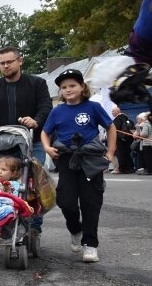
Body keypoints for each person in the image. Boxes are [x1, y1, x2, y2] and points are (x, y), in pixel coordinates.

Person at [41, 69, 115, 263]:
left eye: (72, 85)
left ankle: (90, 245)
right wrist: (47, 148)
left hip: (90, 159)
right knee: (66, 201)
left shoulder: (93, 107)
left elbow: (111, 126)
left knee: (91, 202)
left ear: (82, 87)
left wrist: (110, 153)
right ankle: (76, 229)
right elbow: (45, 132)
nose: (68, 89)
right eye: (64, 87)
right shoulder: (57, 111)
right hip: (66, 159)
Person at [0, 46, 52, 245]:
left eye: (9, 62)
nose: (5, 66)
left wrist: (36, 120)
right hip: (3, 145)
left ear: (20, 61)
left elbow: (46, 107)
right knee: (0, 184)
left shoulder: (37, 83)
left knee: (33, 186)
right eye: (2, 63)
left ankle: (34, 228)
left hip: (32, 141)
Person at [110, 105, 135, 174]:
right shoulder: (126, 118)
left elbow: (116, 128)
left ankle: (123, 169)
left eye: (113, 111)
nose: (112, 112)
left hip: (120, 139)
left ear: (117, 112)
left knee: (121, 154)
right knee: (127, 154)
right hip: (127, 138)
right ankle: (130, 168)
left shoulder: (118, 118)